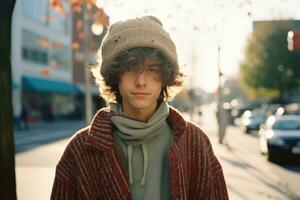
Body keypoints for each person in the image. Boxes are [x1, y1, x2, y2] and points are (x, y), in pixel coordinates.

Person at [51, 16, 228, 200]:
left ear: (166, 75)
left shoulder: (194, 142)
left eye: (152, 69)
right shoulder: (80, 149)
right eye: (130, 68)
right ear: (115, 75)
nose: (141, 81)